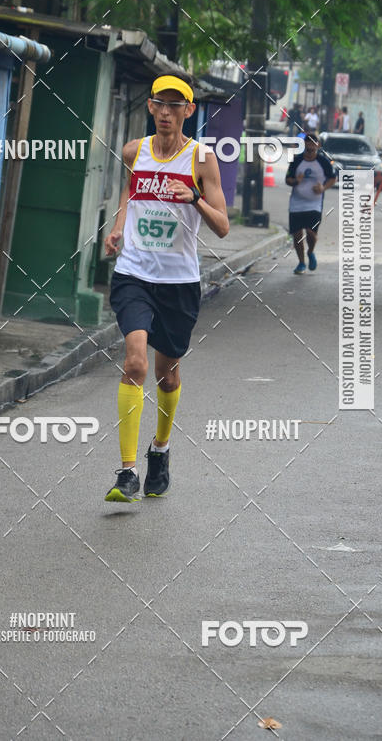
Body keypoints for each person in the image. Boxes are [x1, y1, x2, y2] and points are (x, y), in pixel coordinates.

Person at [103, 73, 230, 502]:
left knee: (167, 374)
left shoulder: (201, 159)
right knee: (135, 363)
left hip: (178, 282)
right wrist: (119, 227)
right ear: (151, 108)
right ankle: (126, 472)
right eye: (160, 103)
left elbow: (223, 227)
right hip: (134, 274)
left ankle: (160, 449)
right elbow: (129, 191)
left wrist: (191, 196)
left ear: (188, 112)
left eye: (176, 105)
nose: (166, 112)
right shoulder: (133, 151)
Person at [285, 133, 337, 274]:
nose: (309, 152)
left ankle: (311, 252)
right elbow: (288, 179)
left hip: (314, 204)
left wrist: (323, 188)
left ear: (317, 146)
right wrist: (296, 181)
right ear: (304, 146)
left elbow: (333, 178)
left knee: (311, 233)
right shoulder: (296, 161)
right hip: (296, 203)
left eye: (312, 149)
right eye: (307, 149)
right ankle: (301, 263)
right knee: (297, 235)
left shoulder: (323, 162)